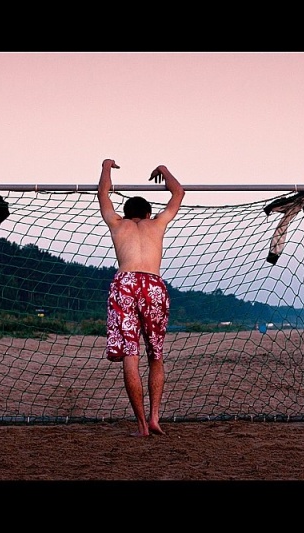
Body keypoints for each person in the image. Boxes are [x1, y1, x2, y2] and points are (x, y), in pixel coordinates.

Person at [98, 159, 185, 437]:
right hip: (153, 284)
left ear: (125, 213)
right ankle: (155, 417)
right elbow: (178, 193)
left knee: (130, 356)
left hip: (125, 283)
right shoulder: (157, 224)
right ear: (148, 213)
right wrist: (163, 170)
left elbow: (102, 194)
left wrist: (106, 167)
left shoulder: (117, 223)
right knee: (156, 355)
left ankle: (139, 426)